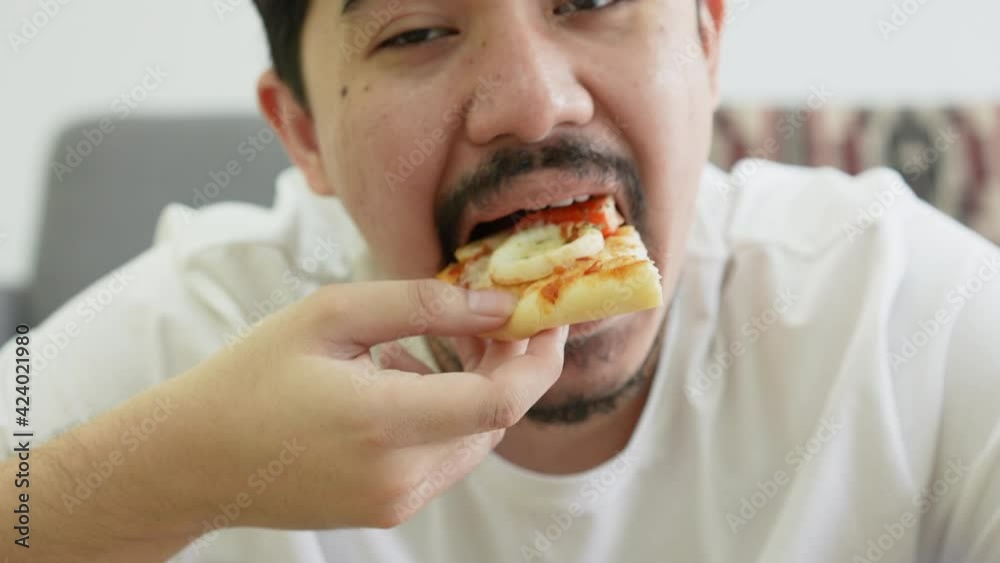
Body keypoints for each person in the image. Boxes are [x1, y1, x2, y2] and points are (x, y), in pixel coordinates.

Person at [2, 0, 998, 561]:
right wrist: (178, 472)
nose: (532, 102)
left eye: (591, 0)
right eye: (416, 31)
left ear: (705, 37)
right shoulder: (201, 333)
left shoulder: (900, 306)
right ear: (304, 132)